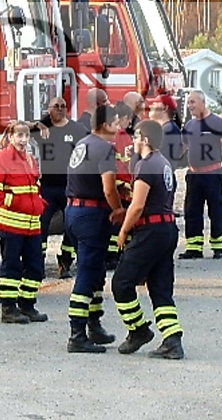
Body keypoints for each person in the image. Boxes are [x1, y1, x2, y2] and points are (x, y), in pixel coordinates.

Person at [112, 120, 185, 359]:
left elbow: (138, 206)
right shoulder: (163, 163)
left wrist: (123, 231)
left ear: (145, 138)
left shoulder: (145, 165)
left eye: (135, 136)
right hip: (166, 229)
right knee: (160, 288)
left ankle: (138, 330)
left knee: (122, 283)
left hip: (150, 231)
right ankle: (172, 340)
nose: (132, 141)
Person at [64, 104, 124, 353]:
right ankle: (77, 334)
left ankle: (94, 324)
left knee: (96, 270)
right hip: (92, 213)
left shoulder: (83, 144)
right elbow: (108, 187)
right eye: (116, 121)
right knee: (88, 273)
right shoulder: (105, 148)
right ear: (105, 125)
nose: (119, 125)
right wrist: (119, 209)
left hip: (74, 211)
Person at [0, 121, 49, 324]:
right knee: (11, 267)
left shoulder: (30, 159)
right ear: (11, 137)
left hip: (32, 224)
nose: (23, 140)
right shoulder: (1, 159)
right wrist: (15, 202)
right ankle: (8, 308)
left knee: (35, 266)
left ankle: (27, 305)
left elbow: (34, 187)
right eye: (19, 136)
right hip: (11, 224)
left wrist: (39, 204)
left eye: (26, 136)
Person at [31, 97, 88, 278]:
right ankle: (37, 265)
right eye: (56, 106)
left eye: (63, 106)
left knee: (72, 227)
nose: (60, 109)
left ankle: (65, 262)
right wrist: (39, 125)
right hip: (47, 187)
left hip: (69, 187)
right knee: (41, 227)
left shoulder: (77, 129)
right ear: (48, 109)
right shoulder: (43, 129)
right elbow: (16, 126)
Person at [179, 90, 222, 259]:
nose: (190, 106)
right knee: (192, 211)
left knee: (216, 211)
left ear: (202, 102)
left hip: (212, 174)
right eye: (188, 102)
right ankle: (194, 248)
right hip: (193, 176)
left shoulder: (217, 123)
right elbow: (183, 147)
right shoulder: (189, 125)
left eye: (193, 102)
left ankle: (218, 247)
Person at [107, 92, 145, 270]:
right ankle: (117, 256)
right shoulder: (122, 136)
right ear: (123, 118)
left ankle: (113, 255)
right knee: (121, 224)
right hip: (123, 188)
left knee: (115, 225)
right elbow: (127, 164)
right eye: (128, 121)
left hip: (117, 186)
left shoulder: (110, 136)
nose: (129, 124)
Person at [148, 94, 186, 169]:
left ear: (165, 108)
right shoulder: (168, 128)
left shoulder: (168, 130)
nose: (150, 106)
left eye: (155, 103)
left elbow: (157, 159)